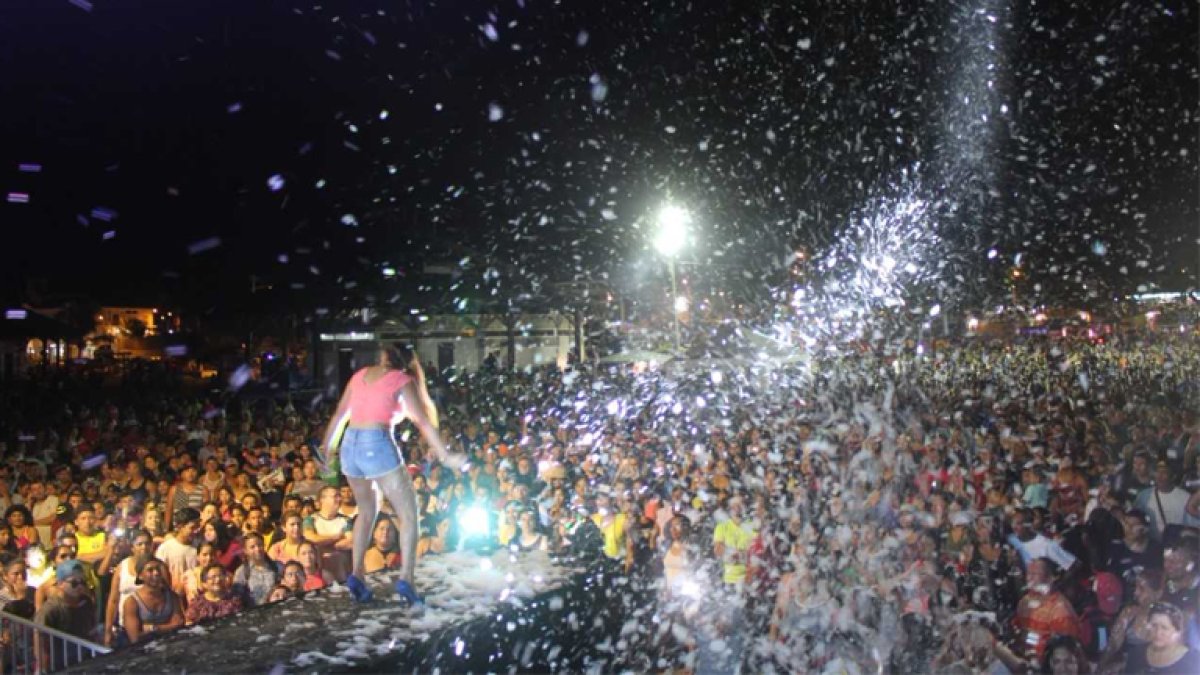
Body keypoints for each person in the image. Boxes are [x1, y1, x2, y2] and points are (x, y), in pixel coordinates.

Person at [319, 342, 465, 604]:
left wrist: (326, 450)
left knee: (367, 510)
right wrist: (445, 456)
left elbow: (340, 415)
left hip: (350, 445)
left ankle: (357, 573)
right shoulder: (402, 380)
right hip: (376, 441)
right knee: (409, 514)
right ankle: (406, 578)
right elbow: (423, 422)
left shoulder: (360, 375)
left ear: (383, 357)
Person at [103, 529, 154, 647]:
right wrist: (108, 630)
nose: (144, 547)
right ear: (132, 547)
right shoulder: (122, 566)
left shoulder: (158, 567)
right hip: (124, 628)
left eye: (147, 543)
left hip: (150, 627)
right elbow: (113, 600)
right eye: (139, 544)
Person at [1122, 602, 1200, 674]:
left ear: (1177, 631)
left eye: (1164, 628)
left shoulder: (1192, 660)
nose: (1158, 632)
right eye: (1154, 626)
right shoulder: (1137, 652)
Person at [121, 558, 184, 644]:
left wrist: (153, 628)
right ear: (140, 576)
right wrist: (169, 627)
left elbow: (178, 625)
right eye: (150, 570)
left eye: (158, 569)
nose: (156, 573)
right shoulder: (132, 602)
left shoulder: (172, 597)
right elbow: (135, 638)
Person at [232, 533, 277, 606]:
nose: (257, 549)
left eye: (260, 545)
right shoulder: (241, 572)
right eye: (252, 547)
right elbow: (237, 598)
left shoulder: (276, 566)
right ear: (245, 551)